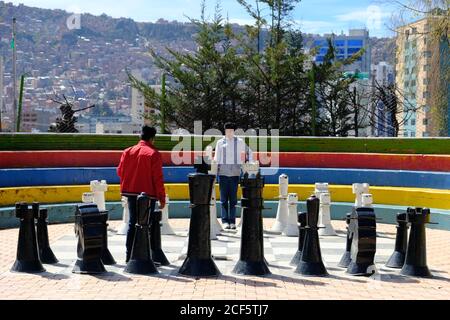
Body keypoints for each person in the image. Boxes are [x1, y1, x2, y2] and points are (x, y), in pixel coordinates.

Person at [117, 126, 166, 262]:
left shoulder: (127, 151)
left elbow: (120, 171)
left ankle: (129, 256)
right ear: (152, 138)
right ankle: (145, 256)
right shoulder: (154, 154)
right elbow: (158, 178)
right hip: (148, 194)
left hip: (131, 192)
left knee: (133, 222)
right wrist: (162, 198)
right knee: (146, 224)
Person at [214, 123, 253, 230]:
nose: (229, 133)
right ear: (224, 131)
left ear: (234, 131)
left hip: (235, 173)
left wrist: (248, 164)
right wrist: (214, 172)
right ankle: (225, 220)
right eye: (227, 131)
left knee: (233, 199)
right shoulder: (220, 142)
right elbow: (216, 158)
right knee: (223, 199)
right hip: (223, 173)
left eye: (231, 131)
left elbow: (249, 152)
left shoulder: (240, 142)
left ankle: (232, 221)